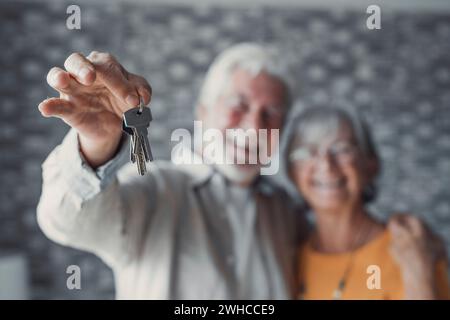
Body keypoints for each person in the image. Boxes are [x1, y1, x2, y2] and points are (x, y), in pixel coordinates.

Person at [36, 43, 304, 299]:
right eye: (239, 106)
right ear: (203, 111)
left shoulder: (286, 211)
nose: (255, 128)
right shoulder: (154, 188)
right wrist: (97, 143)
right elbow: (67, 222)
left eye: (271, 113)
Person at [287, 106, 450, 300]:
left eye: (342, 149)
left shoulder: (413, 252)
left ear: (371, 164)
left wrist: (420, 275)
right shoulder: (290, 259)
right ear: (292, 173)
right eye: (307, 152)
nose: (326, 164)